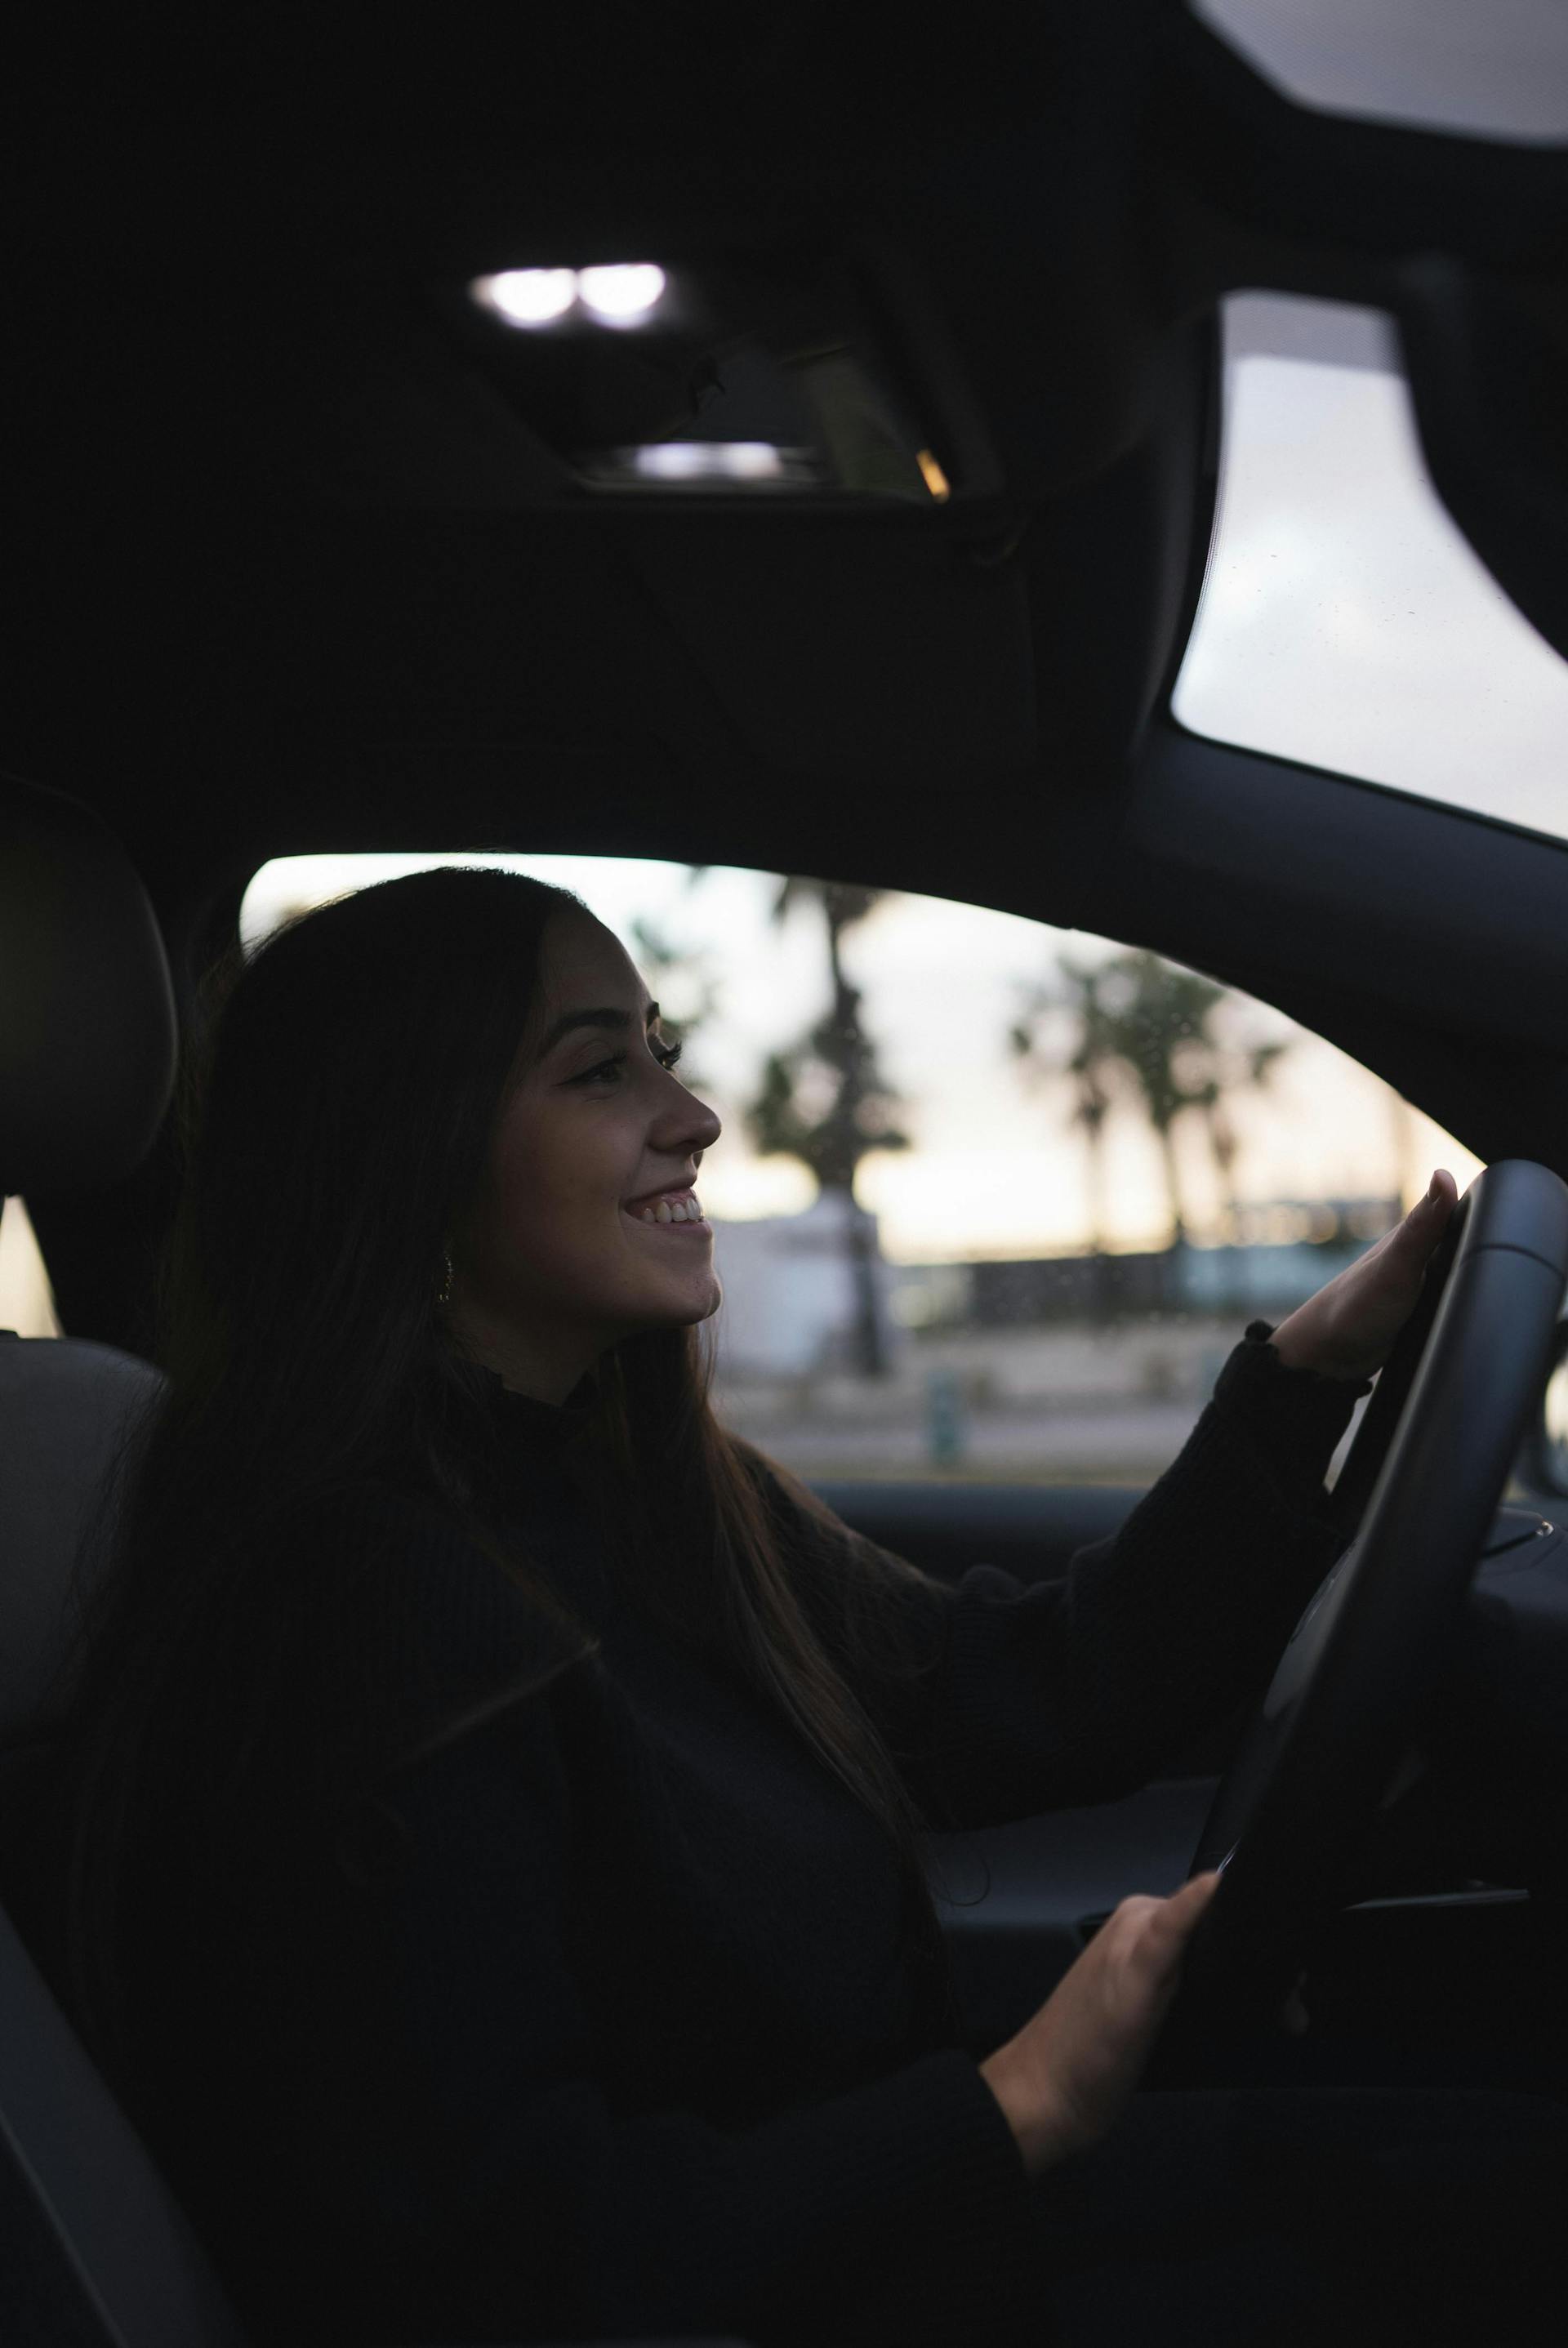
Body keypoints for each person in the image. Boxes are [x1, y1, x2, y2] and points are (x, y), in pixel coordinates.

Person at [31, 867, 1568, 2347]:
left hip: (892, 2241)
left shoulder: (640, 1492)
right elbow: (503, 2244)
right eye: (597, 1074)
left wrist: (1303, 1378)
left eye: (665, 1055)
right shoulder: (358, 1611)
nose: (691, 1118)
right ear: (411, 1156)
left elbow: (1018, 1689)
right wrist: (1012, 2102)